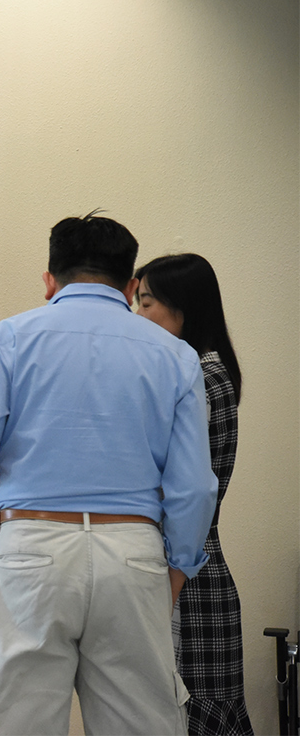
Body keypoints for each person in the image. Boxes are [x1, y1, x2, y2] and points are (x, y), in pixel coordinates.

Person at [0, 213, 217, 735]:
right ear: (130, 286)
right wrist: (177, 569)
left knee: (16, 722)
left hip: (32, 547)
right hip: (132, 553)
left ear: (49, 280)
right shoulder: (177, 357)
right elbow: (195, 487)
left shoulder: (11, 337)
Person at [135, 253, 253, 736]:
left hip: (188, 578)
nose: (137, 316)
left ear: (183, 309)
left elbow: (188, 490)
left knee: (188, 716)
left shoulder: (199, 376)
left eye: (146, 304)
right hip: (195, 570)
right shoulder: (207, 369)